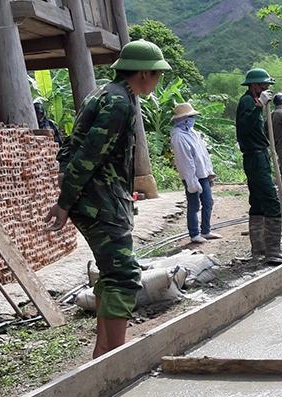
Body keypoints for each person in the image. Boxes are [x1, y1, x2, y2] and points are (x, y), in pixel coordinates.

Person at [44, 39, 171, 358]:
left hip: (101, 199)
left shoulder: (103, 92)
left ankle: (103, 353)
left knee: (110, 271)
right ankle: (115, 357)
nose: (158, 80)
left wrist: (70, 190)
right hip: (99, 204)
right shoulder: (119, 103)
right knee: (125, 275)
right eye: (157, 74)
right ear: (144, 74)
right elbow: (86, 156)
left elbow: (68, 148)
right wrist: (64, 203)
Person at [236, 68, 282, 265]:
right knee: (271, 202)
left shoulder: (251, 101)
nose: (267, 89)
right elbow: (245, 126)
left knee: (257, 202)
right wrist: (259, 105)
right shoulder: (247, 102)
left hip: (258, 156)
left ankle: (259, 246)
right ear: (255, 85)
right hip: (255, 157)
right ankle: (273, 251)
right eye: (264, 85)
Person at [171, 102, 222, 244]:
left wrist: (209, 171)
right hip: (192, 176)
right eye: (191, 116)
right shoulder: (179, 136)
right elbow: (186, 162)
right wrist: (192, 182)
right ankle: (194, 233)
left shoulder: (193, 133)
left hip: (202, 174)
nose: (193, 119)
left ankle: (206, 230)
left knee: (208, 202)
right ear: (185, 119)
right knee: (193, 204)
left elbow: (203, 155)